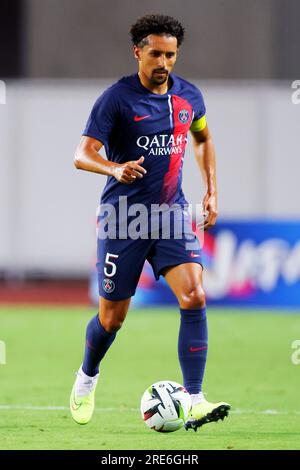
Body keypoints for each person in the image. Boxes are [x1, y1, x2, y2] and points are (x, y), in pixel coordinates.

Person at [70, 14, 230, 431]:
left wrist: (211, 189)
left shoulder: (189, 97)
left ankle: (194, 399)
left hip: (171, 215)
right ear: (137, 51)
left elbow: (203, 138)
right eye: (156, 53)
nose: (164, 62)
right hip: (124, 219)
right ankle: (87, 377)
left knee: (194, 295)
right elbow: (82, 154)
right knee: (112, 319)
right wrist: (114, 168)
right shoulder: (116, 100)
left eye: (171, 55)